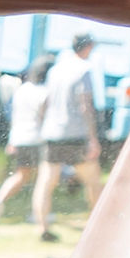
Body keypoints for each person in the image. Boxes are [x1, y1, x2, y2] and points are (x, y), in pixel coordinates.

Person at [32, 34, 105, 242]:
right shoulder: (84, 70)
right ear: (89, 47)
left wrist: (42, 124)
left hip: (52, 133)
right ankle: (96, 227)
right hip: (75, 133)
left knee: (46, 182)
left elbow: (45, 101)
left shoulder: (56, 69)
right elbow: (85, 105)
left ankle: (42, 228)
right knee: (93, 181)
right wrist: (93, 138)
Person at [0, 56, 53, 220]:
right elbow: (46, 118)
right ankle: (38, 213)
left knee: (21, 174)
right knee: (42, 179)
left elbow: (14, 116)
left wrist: (11, 140)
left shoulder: (23, 90)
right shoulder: (45, 92)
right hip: (38, 139)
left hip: (19, 137)